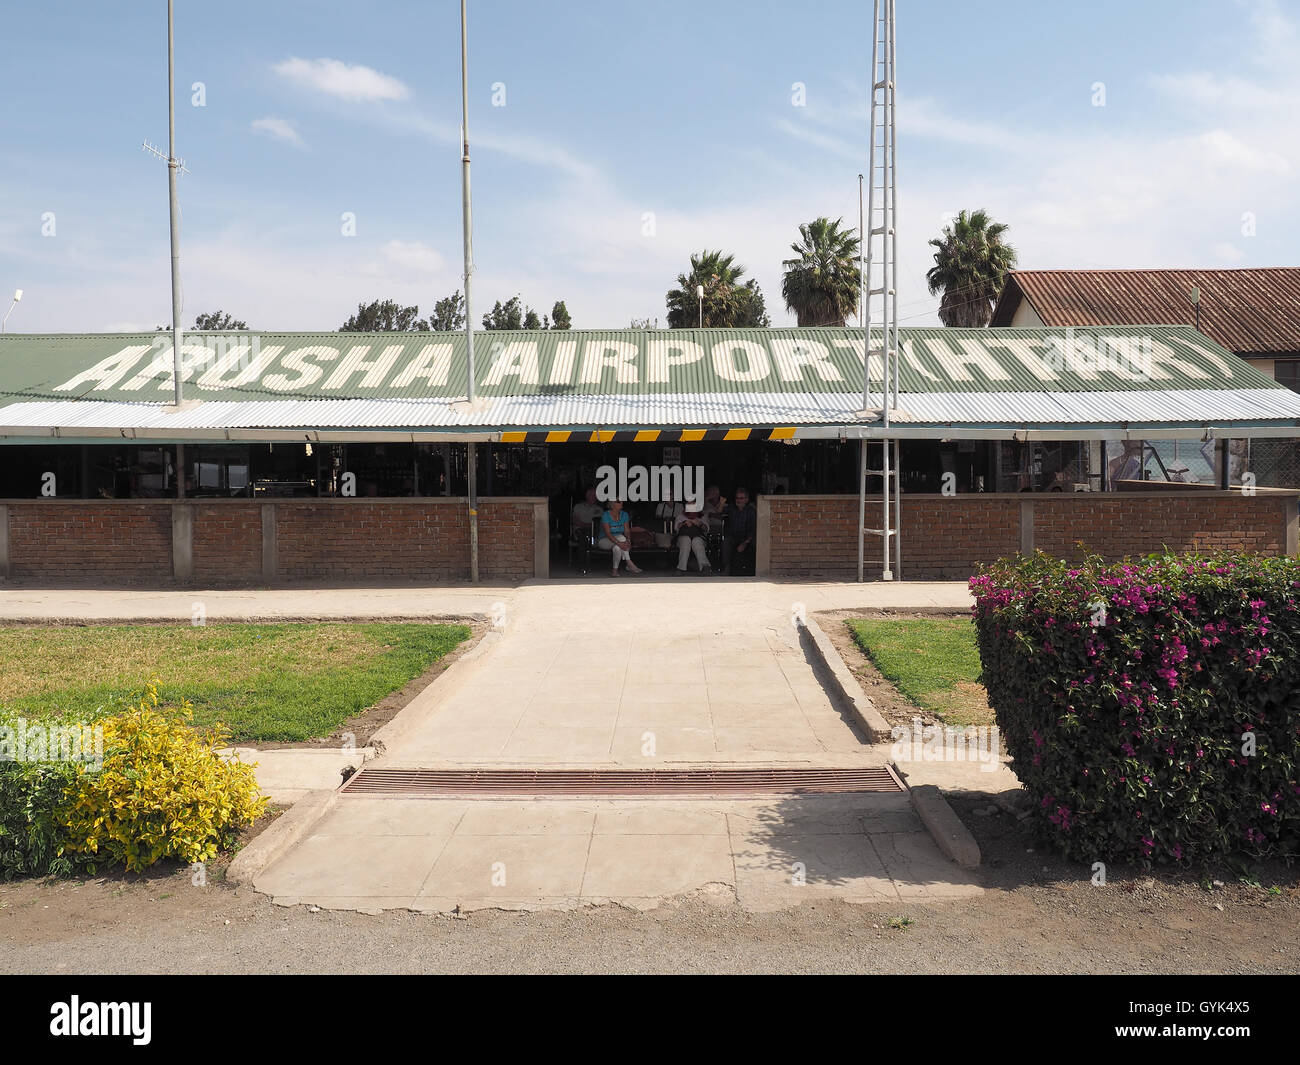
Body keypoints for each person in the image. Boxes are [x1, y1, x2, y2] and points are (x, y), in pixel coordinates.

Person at [599, 499, 642, 576]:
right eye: (618, 501)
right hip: (605, 540)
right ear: (612, 504)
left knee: (617, 548)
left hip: (619, 541)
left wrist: (628, 540)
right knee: (621, 538)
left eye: (622, 501)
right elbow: (608, 533)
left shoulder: (624, 514)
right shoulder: (605, 515)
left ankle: (615, 571)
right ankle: (629, 562)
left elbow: (627, 530)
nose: (621, 503)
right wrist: (620, 543)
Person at [722, 487, 757, 575]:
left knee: (754, 544)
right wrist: (721, 502)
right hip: (734, 537)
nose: (738, 500)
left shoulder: (751, 511)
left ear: (746, 499)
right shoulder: (732, 509)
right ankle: (727, 567)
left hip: (747, 539)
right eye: (737, 498)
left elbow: (753, 530)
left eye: (741, 498)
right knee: (726, 542)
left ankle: (751, 570)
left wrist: (745, 543)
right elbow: (719, 511)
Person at [673, 506, 710, 575]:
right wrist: (684, 523)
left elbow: (707, 529)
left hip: (699, 537)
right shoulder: (681, 516)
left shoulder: (703, 516)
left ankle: (705, 567)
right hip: (683, 537)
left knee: (696, 541)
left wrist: (700, 524)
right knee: (686, 540)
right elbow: (676, 528)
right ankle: (681, 568)